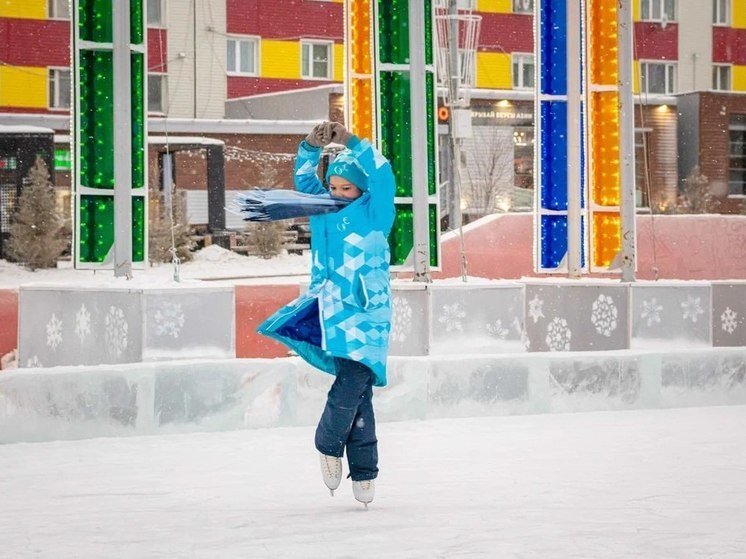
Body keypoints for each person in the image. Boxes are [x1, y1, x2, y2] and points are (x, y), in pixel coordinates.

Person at [257, 121, 396, 507]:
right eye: (332, 186)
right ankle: (366, 471)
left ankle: (328, 442)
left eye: (345, 188)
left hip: (367, 311)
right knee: (359, 390)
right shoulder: (321, 210)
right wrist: (309, 146)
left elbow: (383, 173)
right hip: (330, 309)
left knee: (352, 382)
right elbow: (303, 176)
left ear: (362, 189)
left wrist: (349, 141)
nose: (336, 194)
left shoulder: (375, 212)